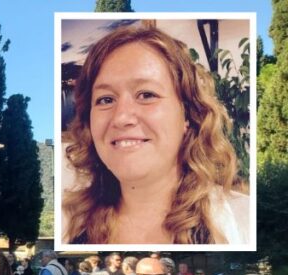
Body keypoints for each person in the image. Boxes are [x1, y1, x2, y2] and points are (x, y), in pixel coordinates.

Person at [62, 25, 248, 245]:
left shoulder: (243, 221)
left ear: (187, 114)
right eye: (106, 99)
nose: (121, 117)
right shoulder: (68, 221)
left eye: (147, 95)